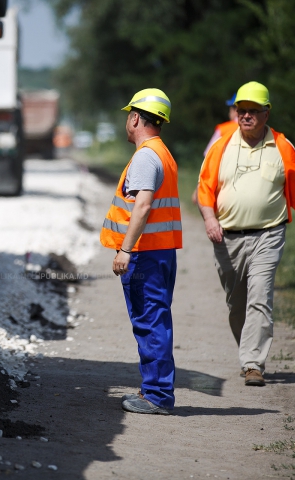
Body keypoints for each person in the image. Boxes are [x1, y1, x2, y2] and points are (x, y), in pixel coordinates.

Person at [197, 81, 295, 386]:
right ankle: (247, 348)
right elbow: (203, 190)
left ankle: (254, 363)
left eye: (253, 111)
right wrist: (210, 220)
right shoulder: (221, 144)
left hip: (269, 233)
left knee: (260, 297)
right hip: (227, 237)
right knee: (236, 304)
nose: (246, 115)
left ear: (266, 113)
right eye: (242, 110)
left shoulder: (283, 147)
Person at [100, 88, 182, 415]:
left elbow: (143, 205)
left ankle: (158, 396)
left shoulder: (146, 157)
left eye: (127, 116)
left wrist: (125, 250)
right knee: (154, 320)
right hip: (159, 253)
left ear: (135, 117)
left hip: (145, 255)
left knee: (150, 322)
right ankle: (154, 388)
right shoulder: (162, 153)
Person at [191, 93, 239, 205]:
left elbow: (209, 158)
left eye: (230, 108)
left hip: (221, 182)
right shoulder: (259, 132)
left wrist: (198, 187)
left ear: (235, 109)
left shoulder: (223, 129)